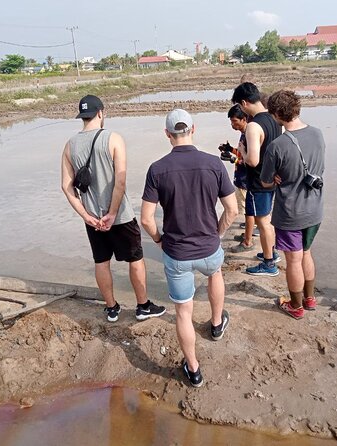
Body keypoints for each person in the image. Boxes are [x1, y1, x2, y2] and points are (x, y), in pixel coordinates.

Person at [141, 109, 237, 388]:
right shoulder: (213, 164)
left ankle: (193, 369)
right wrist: (216, 234)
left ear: (167, 134)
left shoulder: (157, 169)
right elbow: (232, 210)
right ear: (193, 130)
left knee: (183, 312)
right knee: (215, 274)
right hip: (208, 248)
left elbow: (146, 219)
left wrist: (159, 240)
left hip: (177, 254)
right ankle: (217, 324)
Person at [61, 95, 166, 322]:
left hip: (93, 219)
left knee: (101, 261)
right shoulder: (114, 138)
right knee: (135, 258)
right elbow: (120, 181)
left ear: (82, 116)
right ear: (101, 113)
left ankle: (111, 308)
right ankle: (143, 306)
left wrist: (87, 216)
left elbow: (66, 187)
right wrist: (112, 213)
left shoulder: (69, 146)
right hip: (121, 216)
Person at [261, 90, 326, 320]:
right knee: (306, 253)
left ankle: (295, 305)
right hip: (315, 209)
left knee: (293, 260)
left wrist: (277, 176)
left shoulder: (277, 146)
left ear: (277, 114)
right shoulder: (318, 134)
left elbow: (265, 180)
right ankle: (309, 298)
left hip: (291, 212)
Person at [231, 82, 282, 276]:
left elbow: (252, 160)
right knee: (266, 219)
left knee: (262, 222)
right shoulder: (274, 118)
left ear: (244, 103)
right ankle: (271, 253)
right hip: (271, 179)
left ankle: (269, 263)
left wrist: (242, 152)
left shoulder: (253, 125)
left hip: (258, 181)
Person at [218, 105, 257, 248]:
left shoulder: (250, 135)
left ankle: (248, 240)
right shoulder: (244, 133)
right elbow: (242, 153)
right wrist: (230, 150)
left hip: (245, 181)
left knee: (247, 211)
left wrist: (234, 160)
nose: (233, 125)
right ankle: (249, 233)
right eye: (231, 122)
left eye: (235, 121)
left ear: (244, 119)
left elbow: (251, 160)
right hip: (241, 179)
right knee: (248, 210)